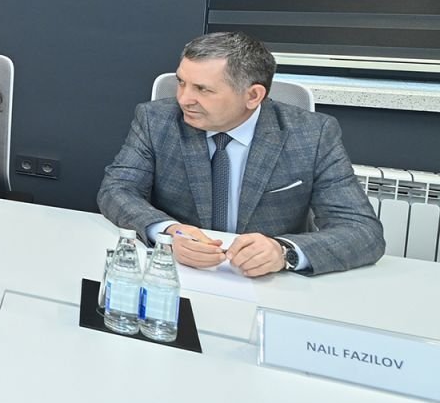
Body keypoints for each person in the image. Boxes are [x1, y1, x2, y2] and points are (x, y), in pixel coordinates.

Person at [97, 32, 384, 276]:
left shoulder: (312, 134)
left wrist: (283, 252)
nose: (184, 99)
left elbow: (362, 230)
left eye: (203, 89)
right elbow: (117, 189)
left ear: (253, 96)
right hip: (181, 274)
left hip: (269, 283)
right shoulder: (157, 120)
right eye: (182, 82)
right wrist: (168, 232)